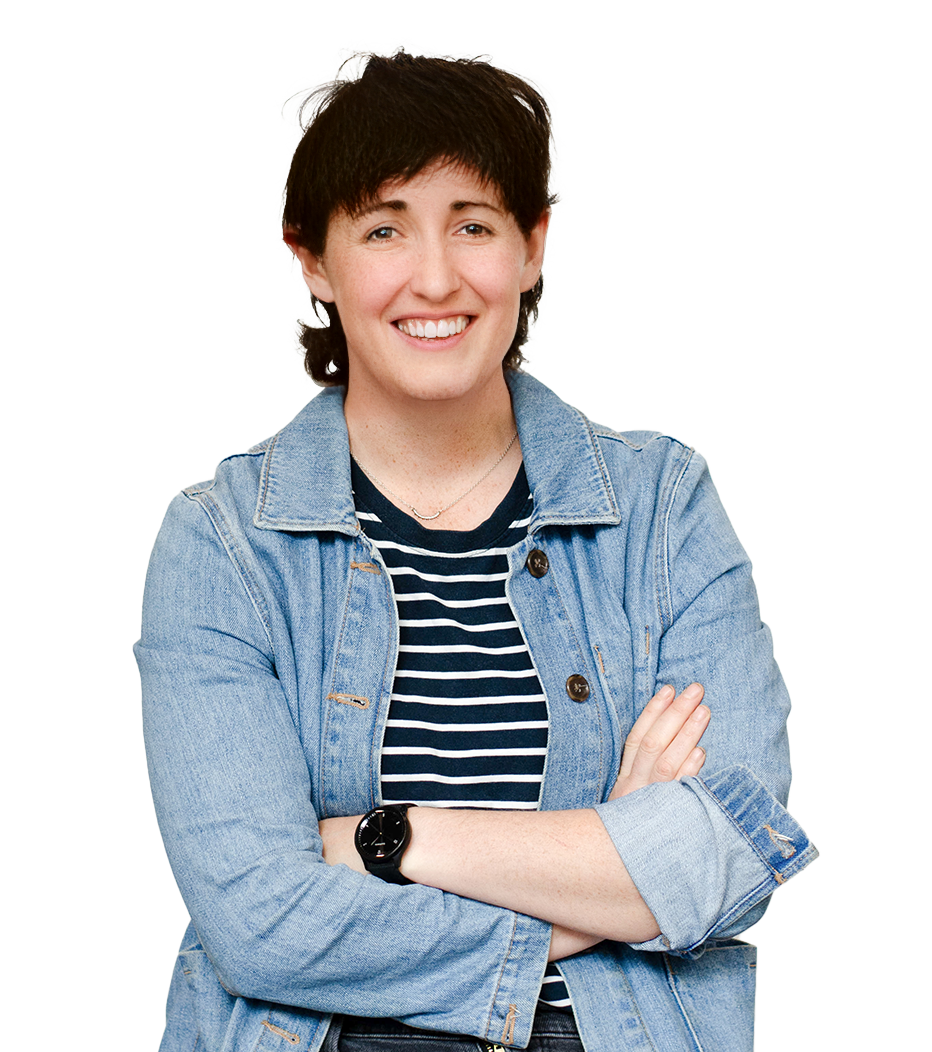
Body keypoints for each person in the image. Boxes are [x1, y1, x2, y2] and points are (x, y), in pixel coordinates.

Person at [135, 49, 817, 1052]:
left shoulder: (660, 509)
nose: (436, 276)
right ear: (313, 259)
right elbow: (261, 921)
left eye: (474, 224)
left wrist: (388, 839)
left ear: (531, 245)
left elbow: (728, 851)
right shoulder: (225, 541)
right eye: (382, 228)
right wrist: (610, 871)